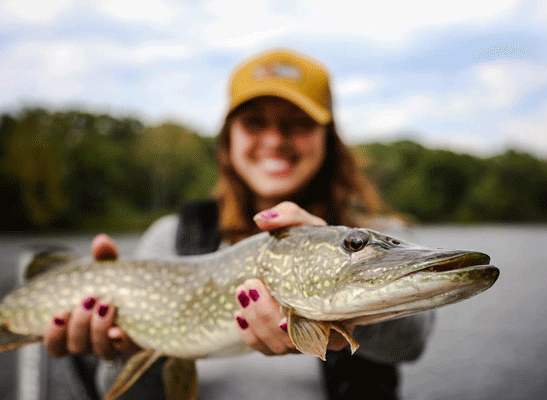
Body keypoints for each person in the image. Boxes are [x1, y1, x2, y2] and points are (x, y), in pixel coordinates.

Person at [43, 48, 434, 399]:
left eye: (297, 123)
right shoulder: (170, 238)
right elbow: (118, 394)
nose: (275, 140)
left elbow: (412, 339)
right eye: (254, 122)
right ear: (228, 139)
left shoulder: (373, 232)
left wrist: (336, 292)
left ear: (327, 138)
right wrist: (127, 351)